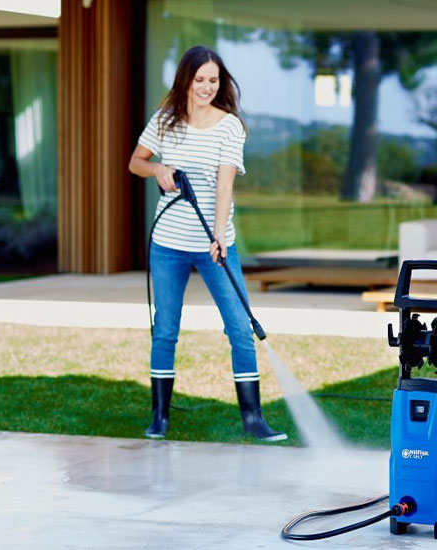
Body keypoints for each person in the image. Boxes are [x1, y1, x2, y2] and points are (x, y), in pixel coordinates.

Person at [128, 45, 286, 442]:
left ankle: (253, 419)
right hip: (168, 243)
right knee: (165, 328)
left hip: (216, 244)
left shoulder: (229, 127)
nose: (206, 87)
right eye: (200, 79)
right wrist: (158, 168)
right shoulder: (164, 120)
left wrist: (217, 235)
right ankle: (159, 418)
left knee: (239, 327)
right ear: (186, 80)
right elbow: (135, 162)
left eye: (213, 80)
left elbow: (224, 186)